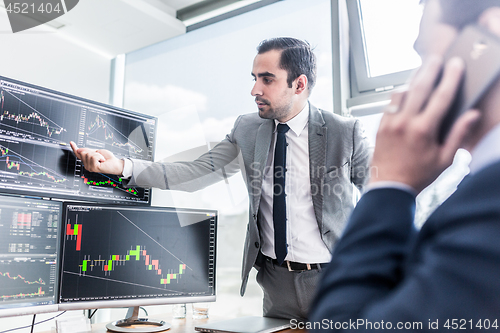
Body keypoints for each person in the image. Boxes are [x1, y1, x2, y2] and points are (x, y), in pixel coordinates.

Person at [71, 37, 371, 321]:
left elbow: (381, 197)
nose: (255, 89)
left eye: (267, 79)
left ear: (299, 84)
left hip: (337, 280)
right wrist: (122, 166)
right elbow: (194, 172)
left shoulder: (345, 132)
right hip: (277, 285)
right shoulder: (247, 129)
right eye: (254, 78)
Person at [309, 0, 500, 331]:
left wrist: (390, 184)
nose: (416, 78)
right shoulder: (476, 192)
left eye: (424, 56)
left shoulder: (490, 203)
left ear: (488, 35)